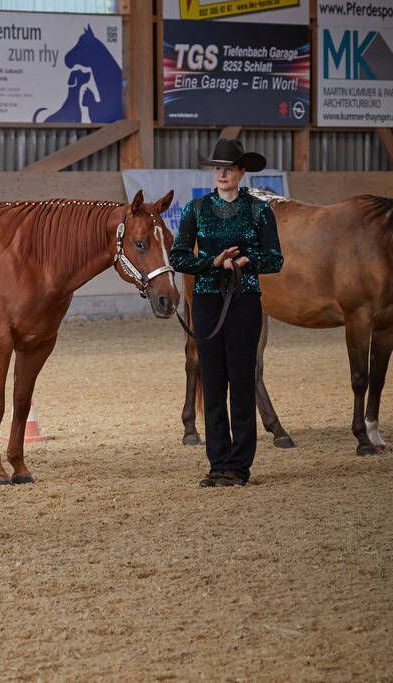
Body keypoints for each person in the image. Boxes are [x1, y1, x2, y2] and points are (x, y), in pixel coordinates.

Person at [170, 139, 284, 488]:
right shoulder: (197, 209)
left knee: (242, 382)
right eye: (217, 167)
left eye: (229, 168)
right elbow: (177, 257)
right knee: (214, 383)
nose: (221, 173)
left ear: (241, 172)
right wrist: (212, 262)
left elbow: (275, 259)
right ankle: (217, 462)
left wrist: (247, 262)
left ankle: (239, 465)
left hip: (244, 299)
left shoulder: (258, 210)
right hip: (205, 302)